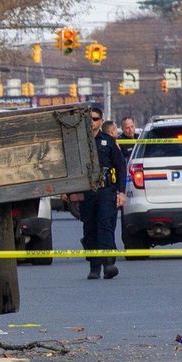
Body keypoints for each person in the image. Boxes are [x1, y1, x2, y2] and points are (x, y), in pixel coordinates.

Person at [79, 106, 126, 280]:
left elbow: (121, 167)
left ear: (101, 120)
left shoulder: (108, 141)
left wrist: (121, 192)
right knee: (90, 227)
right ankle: (94, 266)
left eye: (96, 118)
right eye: (89, 118)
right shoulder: (79, 141)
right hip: (87, 191)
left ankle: (109, 264)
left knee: (105, 224)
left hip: (107, 189)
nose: (92, 121)